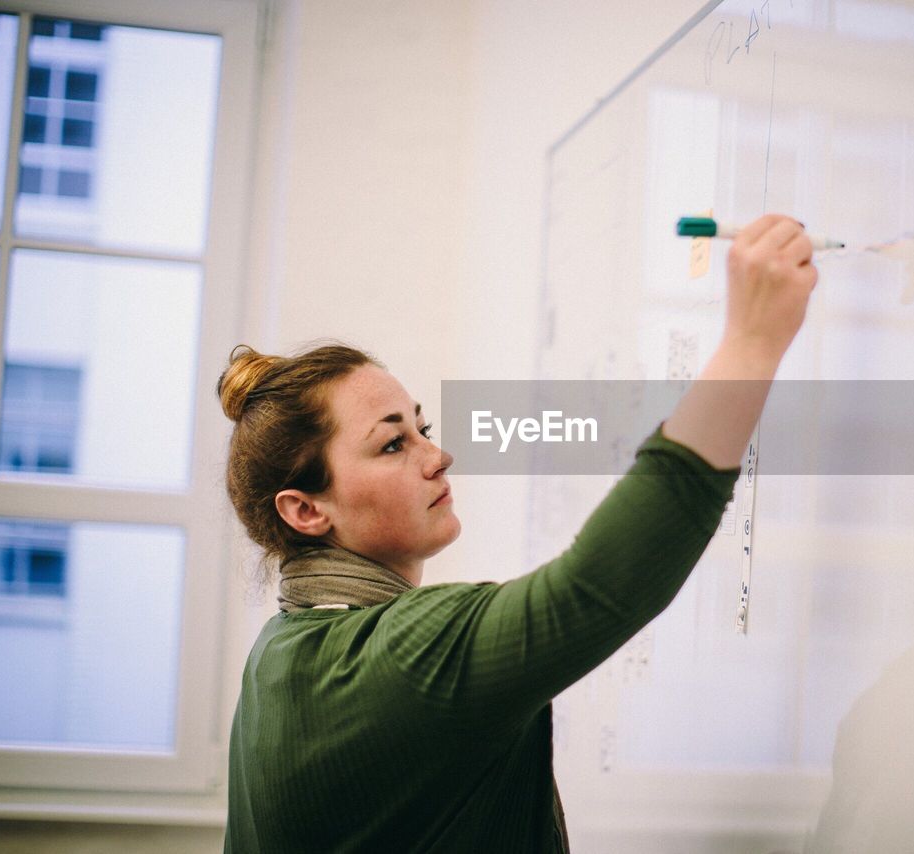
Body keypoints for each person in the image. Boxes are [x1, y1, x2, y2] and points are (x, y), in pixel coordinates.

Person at [220, 213, 818, 852]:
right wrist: (752, 343)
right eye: (393, 443)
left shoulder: (280, 652)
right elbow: (595, 589)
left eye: (424, 428)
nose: (437, 456)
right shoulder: (390, 659)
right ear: (306, 511)